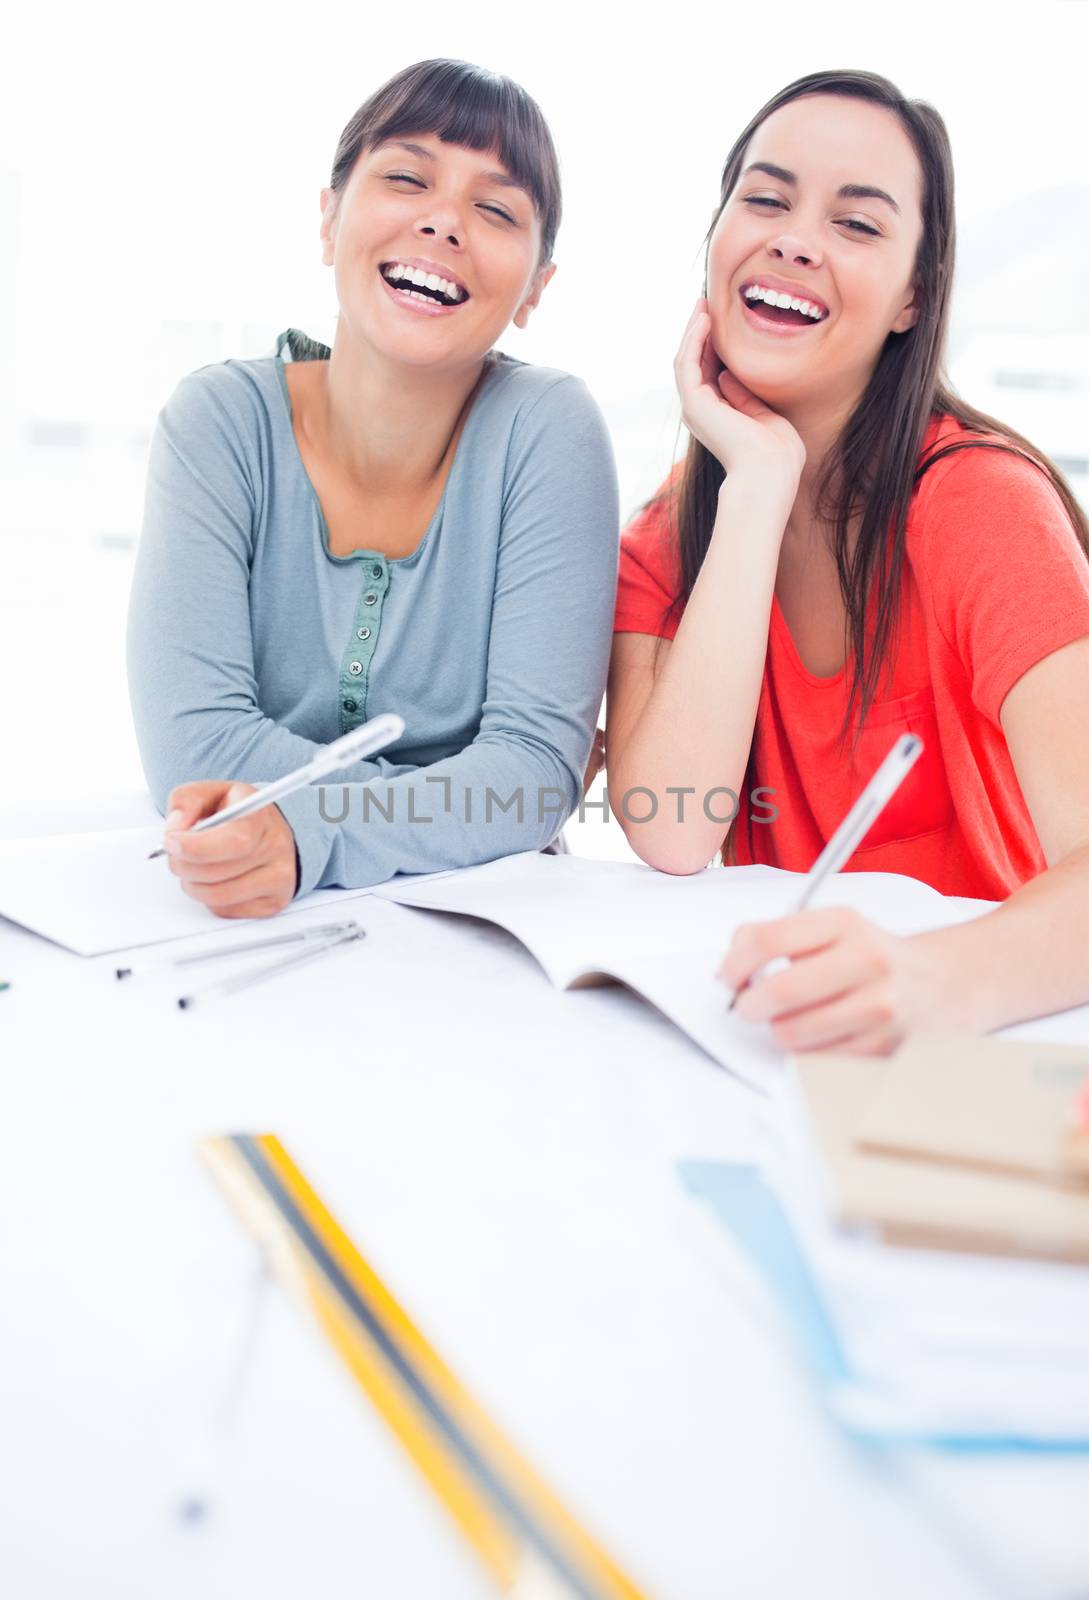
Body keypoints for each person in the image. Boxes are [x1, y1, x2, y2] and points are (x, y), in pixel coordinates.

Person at [606, 69, 1089, 1054]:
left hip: (983, 1045)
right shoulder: (668, 534)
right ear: (716, 240)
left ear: (914, 295)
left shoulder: (979, 505)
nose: (794, 238)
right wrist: (756, 486)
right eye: (766, 198)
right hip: (767, 1038)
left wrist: (931, 979)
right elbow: (673, 826)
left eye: (858, 224)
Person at [127, 58, 618, 918]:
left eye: (496, 210)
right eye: (405, 178)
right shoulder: (220, 422)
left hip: (475, 925)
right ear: (328, 219)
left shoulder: (548, 430)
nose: (442, 222)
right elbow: (193, 744)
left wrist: (319, 828)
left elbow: (533, 776)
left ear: (537, 287)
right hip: (222, 919)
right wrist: (468, 794)